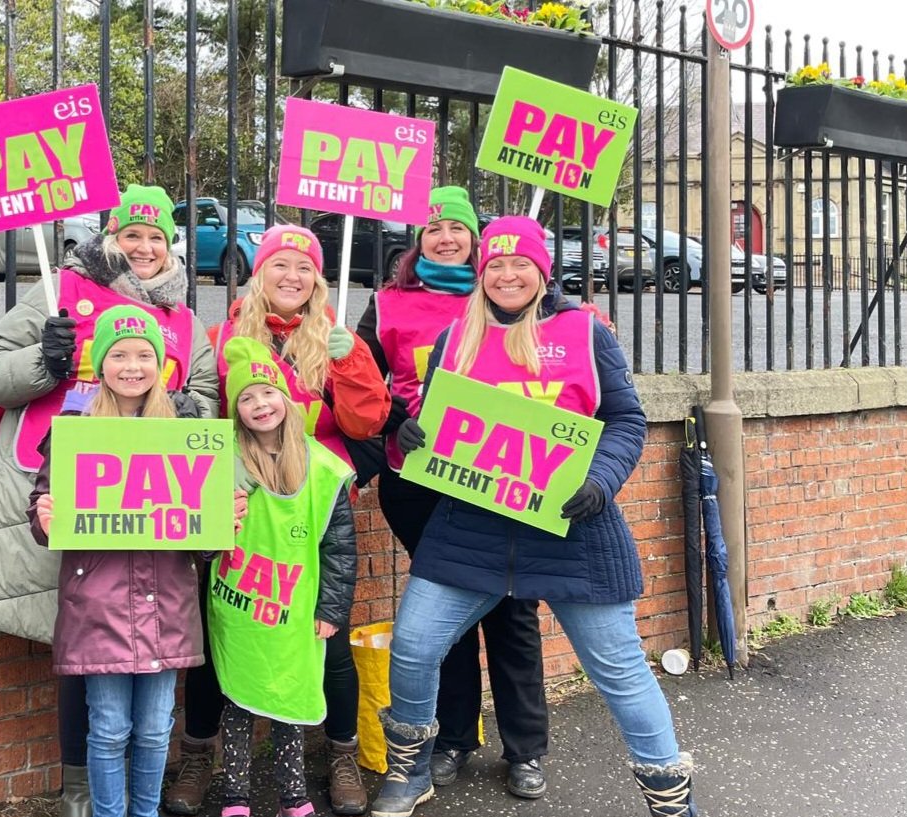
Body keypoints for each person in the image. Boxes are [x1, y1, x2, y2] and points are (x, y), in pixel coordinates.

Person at [370, 216, 698, 817]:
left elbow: (627, 420)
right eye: (495, 264)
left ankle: (672, 800)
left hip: (574, 529)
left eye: (520, 263)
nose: (507, 273)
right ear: (481, 271)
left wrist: (601, 481)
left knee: (620, 670)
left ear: (542, 270)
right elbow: (442, 422)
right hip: (472, 528)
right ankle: (410, 769)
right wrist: (414, 432)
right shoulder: (455, 339)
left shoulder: (583, 331)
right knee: (414, 647)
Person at [0, 184, 219, 817]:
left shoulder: (183, 318)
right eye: (132, 234)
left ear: (171, 245)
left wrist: (190, 408)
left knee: (132, 650)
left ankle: (129, 794)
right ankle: (83, 785)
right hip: (62, 492)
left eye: (156, 237)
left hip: (153, 521)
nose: (143, 247)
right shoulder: (61, 290)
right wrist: (45, 362)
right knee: (80, 637)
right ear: (111, 237)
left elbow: (211, 395)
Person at [166, 225, 389, 817]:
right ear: (258, 272)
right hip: (239, 507)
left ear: (318, 278)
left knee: (327, 640)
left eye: (304, 268)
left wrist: (355, 361)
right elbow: (204, 423)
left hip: (310, 508)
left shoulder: (334, 337)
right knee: (221, 637)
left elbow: (367, 424)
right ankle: (199, 755)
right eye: (279, 265)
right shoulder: (223, 335)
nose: (292, 277)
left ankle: (340, 752)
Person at [355, 187, 550, 798]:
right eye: (433, 227)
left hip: (498, 477)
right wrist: (393, 422)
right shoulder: (385, 305)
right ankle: (456, 739)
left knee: (513, 608)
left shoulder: (500, 294)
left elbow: (561, 343)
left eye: (456, 228)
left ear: (475, 240)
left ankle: (525, 749)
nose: (445, 237)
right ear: (418, 240)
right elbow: (359, 383)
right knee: (446, 615)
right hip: (417, 478)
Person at [27, 305, 205, 817]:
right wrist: (45, 514)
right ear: (99, 364)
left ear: (162, 364)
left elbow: (206, 532)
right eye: (119, 355)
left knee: (154, 729)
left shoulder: (186, 428)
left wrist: (223, 520)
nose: (133, 366)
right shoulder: (75, 429)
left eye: (145, 355)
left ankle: (144, 812)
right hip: (97, 606)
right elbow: (41, 517)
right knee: (106, 728)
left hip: (166, 602)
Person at [209, 335, 357, 817]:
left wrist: (332, 607)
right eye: (246, 398)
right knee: (239, 701)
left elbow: (339, 546)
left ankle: (294, 794)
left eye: (268, 393)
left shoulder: (322, 466)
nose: (259, 404)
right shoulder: (221, 461)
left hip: (296, 610)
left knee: (288, 703)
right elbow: (200, 537)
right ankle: (234, 795)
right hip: (239, 607)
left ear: (287, 401)